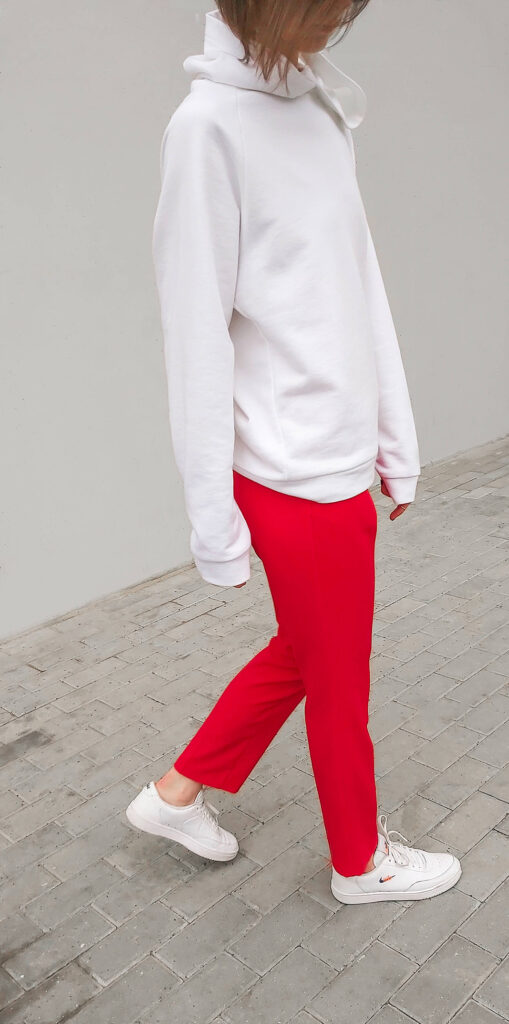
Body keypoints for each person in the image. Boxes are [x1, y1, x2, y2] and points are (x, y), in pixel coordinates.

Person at [126, 1, 462, 904]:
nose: (333, 24)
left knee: (308, 649)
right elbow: (195, 335)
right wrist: (212, 523)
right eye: (319, 9)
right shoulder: (205, 130)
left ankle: (174, 795)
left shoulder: (318, 110)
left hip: (336, 453)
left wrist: (393, 438)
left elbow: (359, 285)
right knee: (338, 677)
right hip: (289, 469)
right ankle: (359, 862)